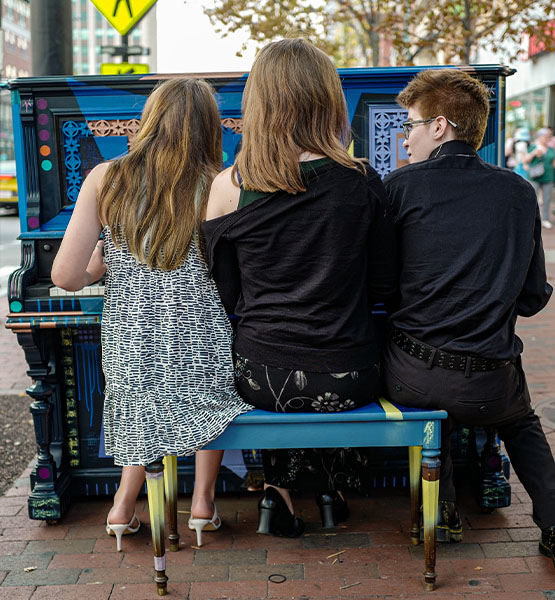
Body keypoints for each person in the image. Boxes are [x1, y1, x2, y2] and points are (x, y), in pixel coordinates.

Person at [203, 38, 396, 537]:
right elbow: (383, 284)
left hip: (261, 377)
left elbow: (221, 296)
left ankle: (278, 494)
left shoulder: (229, 185)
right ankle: (333, 489)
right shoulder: (363, 180)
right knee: (324, 362)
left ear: (259, 103)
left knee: (273, 362)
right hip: (350, 375)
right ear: (327, 99)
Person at [51, 78, 251, 551]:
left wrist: (105, 258)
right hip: (200, 333)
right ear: (209, 128)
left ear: (149, 120)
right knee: (209, 402)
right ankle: (203, 503)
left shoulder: (107, 177)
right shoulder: (219, 183)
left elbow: (65, 276)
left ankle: (122, 507)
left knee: (143, 406)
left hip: (132, 337)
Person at [381, 68, 555, 562]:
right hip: (491, 380)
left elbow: (383, 288)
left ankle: (443, 512)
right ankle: (553, 521)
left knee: (434, 407)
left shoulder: (399, 188)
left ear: (439, 127)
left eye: (410, 124)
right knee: (520, 421)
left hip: (413, 377)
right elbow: (533, 295)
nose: (405, 137)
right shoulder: (520, 193)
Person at [524, 127, 555, 229]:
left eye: (549, 137)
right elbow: (525, 160)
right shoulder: (534, 147)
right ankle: (532, 220)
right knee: (533, 198)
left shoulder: (551, 150)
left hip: (548, 177)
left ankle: (545, 219)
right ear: (540, 137)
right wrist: (534, 153)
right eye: (546, 137)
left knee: (547, 199)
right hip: (534, 177)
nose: (548, 139)